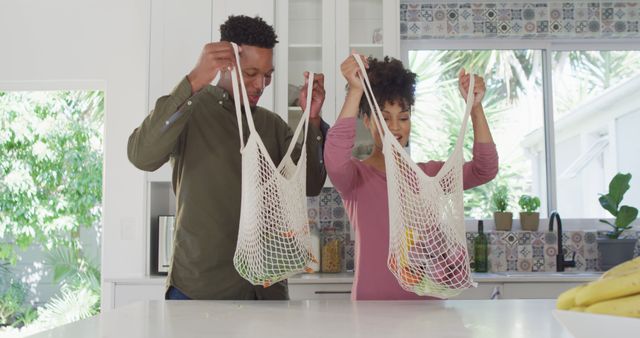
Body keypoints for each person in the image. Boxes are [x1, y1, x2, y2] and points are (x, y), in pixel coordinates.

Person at [128, 15, 328, 300]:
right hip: (199, 290)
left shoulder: (272, 126)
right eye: (251, 73)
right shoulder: (190, 111)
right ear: (225, 63)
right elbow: (141, 156)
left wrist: (312, 120)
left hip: (266, 292)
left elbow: (311, 184)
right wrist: (193, 80)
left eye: (267, 75)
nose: (261, 84)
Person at [324, 55, 499, 300]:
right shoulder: (354, 177)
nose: (395, 128)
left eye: (403, 118)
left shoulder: (428, 177)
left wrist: (475, 108)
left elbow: (485, 168)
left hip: (425, 312)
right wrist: (355, 91)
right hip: (371, 310)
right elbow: (334, 155)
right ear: (366, 120)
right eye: (384, 118)